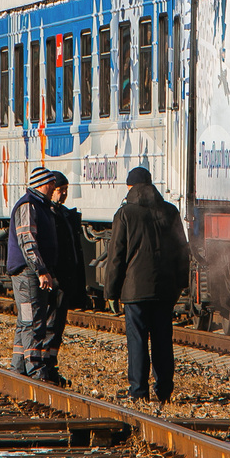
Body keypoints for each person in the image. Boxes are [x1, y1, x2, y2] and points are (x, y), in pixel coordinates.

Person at [101, 165, 188, 403]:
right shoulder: (170, 212)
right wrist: (182, 282)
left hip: (135, 291)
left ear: (130, 187)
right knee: (162, 340)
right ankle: (164, 391)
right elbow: (182, 250)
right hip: (165, 289)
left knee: (138, 340)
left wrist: (111, 291)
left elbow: (117, 255)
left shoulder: (125, 214)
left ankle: (138, 391)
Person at [7, 167, 85, 386]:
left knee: (26, 321)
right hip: (28, 273)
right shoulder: (29, 205)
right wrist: (41, 270)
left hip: (30, 272)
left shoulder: (40, 205)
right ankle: (35, 368)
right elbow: (28, 242)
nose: (55, 189)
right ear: (43, 183)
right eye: (52, 184)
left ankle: (19, 366)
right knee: (33, 320)